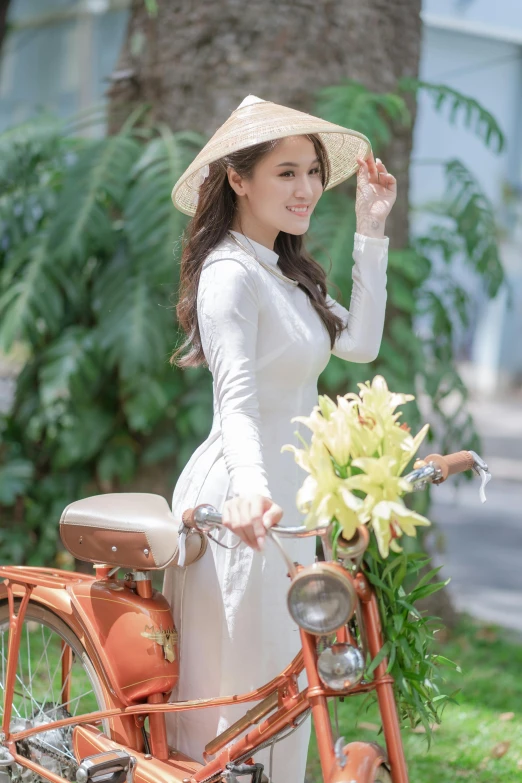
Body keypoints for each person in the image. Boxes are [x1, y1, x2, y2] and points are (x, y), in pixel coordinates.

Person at [163, 94, 397, 782]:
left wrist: (371, 227)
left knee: (294, 699)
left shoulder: (286, 272)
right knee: (236, 708)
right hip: (243, 507)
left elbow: (361, 343)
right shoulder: (230, 274)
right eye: (287, 173)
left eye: (314, 173)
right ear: (239, 179)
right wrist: (253, 497)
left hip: (293, 510)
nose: (307, 190)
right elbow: (235, 399)